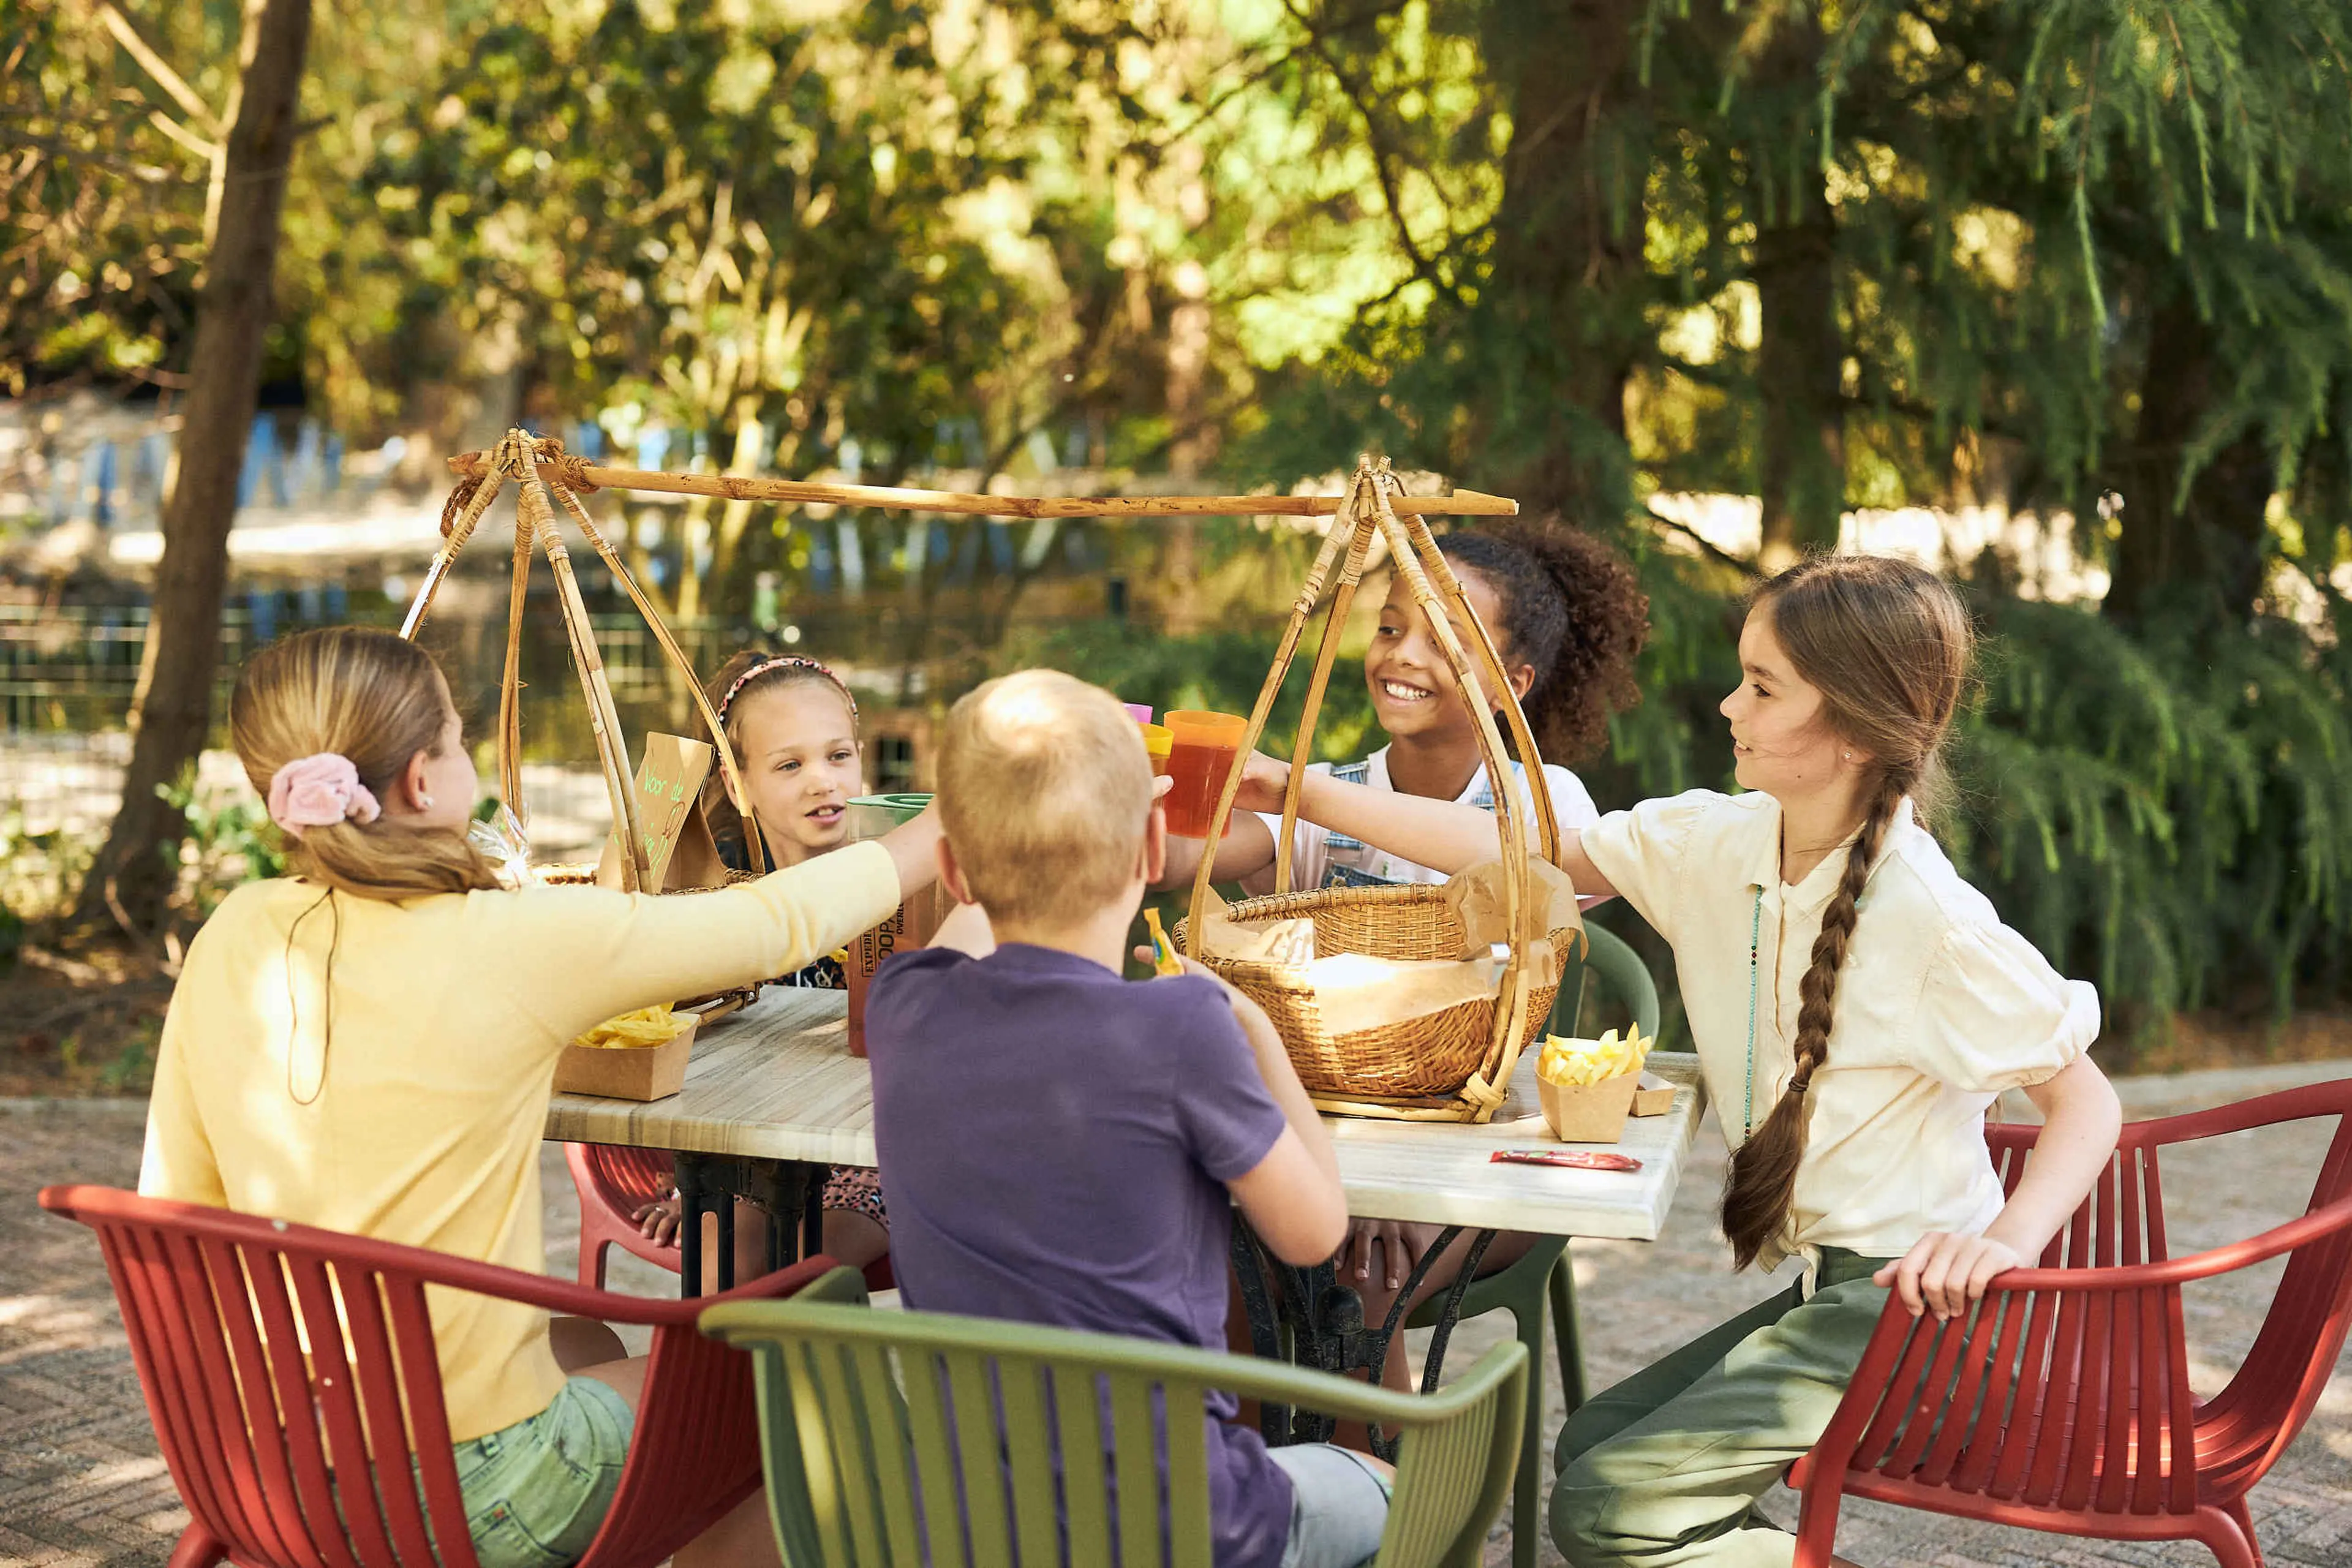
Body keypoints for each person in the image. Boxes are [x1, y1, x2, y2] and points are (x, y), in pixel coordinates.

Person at [1218, 556, 2125, 1567]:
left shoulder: (1929, 919)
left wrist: (2004, 1243)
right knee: (1596, 1448)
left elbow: (2085, 1103)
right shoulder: (1721, 841)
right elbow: (1519, 855)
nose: (1731, 702)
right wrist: (1300, 792)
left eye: (1765, 686)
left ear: (1854, 731)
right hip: (1833, 1295)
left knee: (1606, 1509)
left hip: (1915, 1315)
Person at [138, 627, 947, 1568]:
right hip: (472, 1489)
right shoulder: (509, 937)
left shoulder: (231, 934)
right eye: (455, 736)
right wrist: (957, 817)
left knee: (573, 1335)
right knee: (819, 1373)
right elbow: (772, 923)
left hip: (258, 1470)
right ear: (423, 783)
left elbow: (174, 1214)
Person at [865, 670, 1383, 1568]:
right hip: (1179, 1528)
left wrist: (993, 829)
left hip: (975, 1525)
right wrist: (1254, 1029)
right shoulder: (1186, 1030)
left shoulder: (905, 1007)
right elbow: (1315, 1233)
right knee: (1379, 1481)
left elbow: (971, 930)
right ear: (1154, 845)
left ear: (953, 872)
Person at [1158, 521, 1650, 1391]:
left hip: (1480, 1159)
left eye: (1446, 639)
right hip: (1333, 1142)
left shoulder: (1546, 805)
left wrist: (1301, 793)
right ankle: (1256, 1482)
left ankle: (1390, 1502)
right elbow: (1190, 860)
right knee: (1231, 1240)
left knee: (1366, 1264)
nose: (1403, 653)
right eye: (1390, 627)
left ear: (1513, 684)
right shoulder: (1329, 792)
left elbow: (1523, 862)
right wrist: (1133, 804)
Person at [627, 650, 909, 1280]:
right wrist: (691, 1188)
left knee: (800, 1262)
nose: (823, 780)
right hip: (749, 1148)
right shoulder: (717, 895)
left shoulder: (896, 881)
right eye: (791, 765)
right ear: (738, 784)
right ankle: (714, 1380)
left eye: (839, 756)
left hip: (876, 1151)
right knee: (721, 1248)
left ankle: (780, 1373)